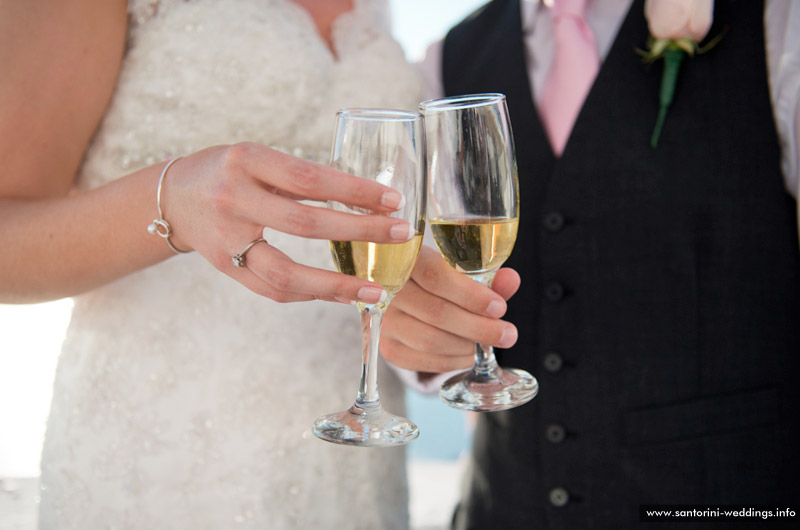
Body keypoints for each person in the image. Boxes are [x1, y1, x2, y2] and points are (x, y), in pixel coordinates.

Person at [0, 0, 521, 528]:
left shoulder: (375, 12)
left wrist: (422, 329)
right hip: (162, 446)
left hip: (354, 457)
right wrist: (168, 202)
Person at [389, 0, 800, 528]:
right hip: (502, 506)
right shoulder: (450, 59)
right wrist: (422, 338)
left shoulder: (777, 23)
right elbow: (407, 277)